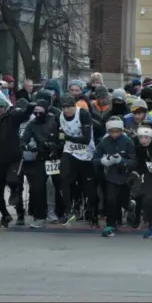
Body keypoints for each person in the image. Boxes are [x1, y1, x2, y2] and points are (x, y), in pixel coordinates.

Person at [0, 76, 35, 227]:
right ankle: (5, 214)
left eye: (1, 107)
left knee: (14, 183)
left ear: (6, 107)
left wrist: (30, 107)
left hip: (13, 158)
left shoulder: (12, 117)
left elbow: (24, 114)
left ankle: (19, 213)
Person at [20, 98, 62, 228]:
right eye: (36, 112)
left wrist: (56, 145)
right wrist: (30, 147)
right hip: (41, 157)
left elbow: (63, 135)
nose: (38, 115)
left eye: (40, 112)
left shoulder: (55, 119)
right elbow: (23, 141)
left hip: (55, 157)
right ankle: (40, 216)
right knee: (37, 187)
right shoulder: (32, 124)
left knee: (59, 186)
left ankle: (60, 214)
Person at [93, 116, 138, 237]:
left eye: (117, 131)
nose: (114, 134)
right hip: (110, 176)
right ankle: (110, 224)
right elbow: (94, 159)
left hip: (125, 177)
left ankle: (129, 206)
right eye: (112, 132)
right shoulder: (104, 142)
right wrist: (103, 161)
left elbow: (134, 161)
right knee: (111, 200)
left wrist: (122, 161)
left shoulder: (127, 141)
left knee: (122, 201)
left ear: (121, 131)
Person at [59, 93, 97, 226]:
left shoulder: (83, 114)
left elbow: (86, 140)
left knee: (88, 186)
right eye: (63, 107)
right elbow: (60, 135)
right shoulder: (61, 116)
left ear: (74, 106)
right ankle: (69, 209)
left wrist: (66, 138)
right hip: (69, 151)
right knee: (64, 178)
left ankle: (91, 211)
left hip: (86, 153)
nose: (66, 110)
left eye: (69, 107)